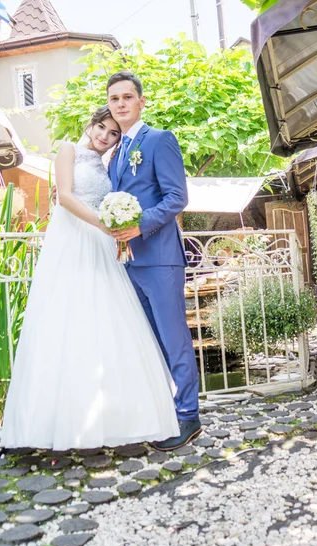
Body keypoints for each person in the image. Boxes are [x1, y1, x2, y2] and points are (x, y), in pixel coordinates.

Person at [1, 106, 180, 451]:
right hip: (72, 240)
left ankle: (118, 417)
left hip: (102, 245)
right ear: (91, 124)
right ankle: (55, 422)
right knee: (68, 317)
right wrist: (103, 224)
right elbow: (65, 196)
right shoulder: (68, 149)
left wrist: (115, 226)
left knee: (109, 320)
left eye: (113, 133)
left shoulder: (110, 164)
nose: (105, 137)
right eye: (102, 128)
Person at [107, 71, 201, 451]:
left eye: (127, 97)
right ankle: (165, 412)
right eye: (114, 99)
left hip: (160, 258)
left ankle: (189, 416)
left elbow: (177, 197)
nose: (121, 104)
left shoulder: (160, 140)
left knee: (174, 339)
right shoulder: (114, 153)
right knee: (151, 342)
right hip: (129, 263)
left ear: (141, 101)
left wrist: (138, 225)